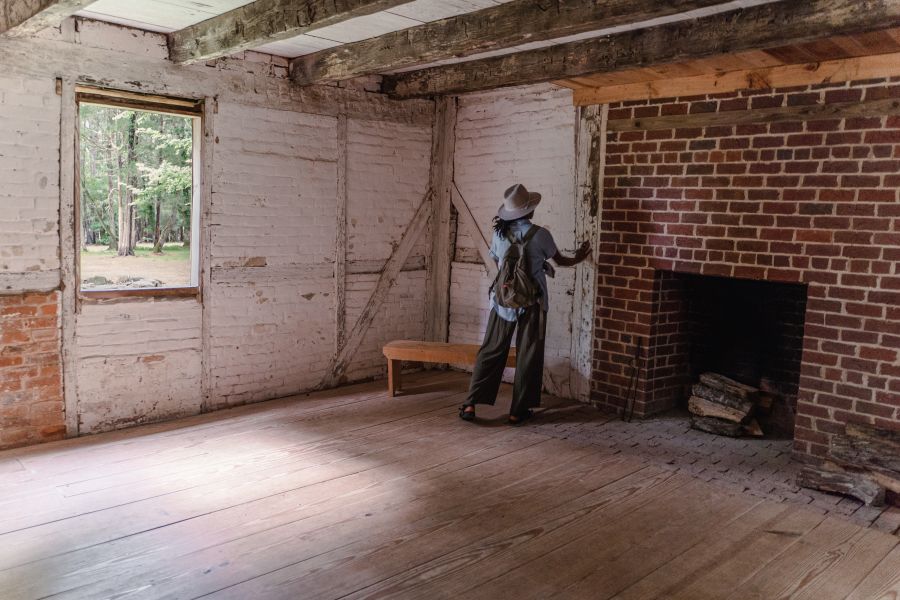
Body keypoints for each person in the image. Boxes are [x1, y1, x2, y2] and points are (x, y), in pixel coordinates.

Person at [459, 183, 591, 425]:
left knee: (491, 350)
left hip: (502, 300)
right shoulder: (541, 234)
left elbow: (498, 262)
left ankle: (470, 405)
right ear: (530, 211)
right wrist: (580, 257)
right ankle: (517, 410)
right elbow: (560, 261)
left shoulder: (499, 233)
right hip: (533, 301)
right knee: (528, 353)